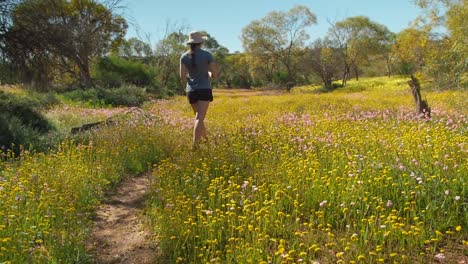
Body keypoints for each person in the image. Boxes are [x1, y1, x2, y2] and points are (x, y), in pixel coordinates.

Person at [180, 31, 218, 148]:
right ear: (201, 42)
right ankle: (195, 146)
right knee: (199, 119)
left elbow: (182, 76)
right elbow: (215, 74)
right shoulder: (207, 55)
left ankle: (206, 141)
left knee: (198, 117)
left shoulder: (184, 56)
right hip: (204, 89)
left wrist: (192, 77)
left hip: (191, 90)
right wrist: (209, 74)